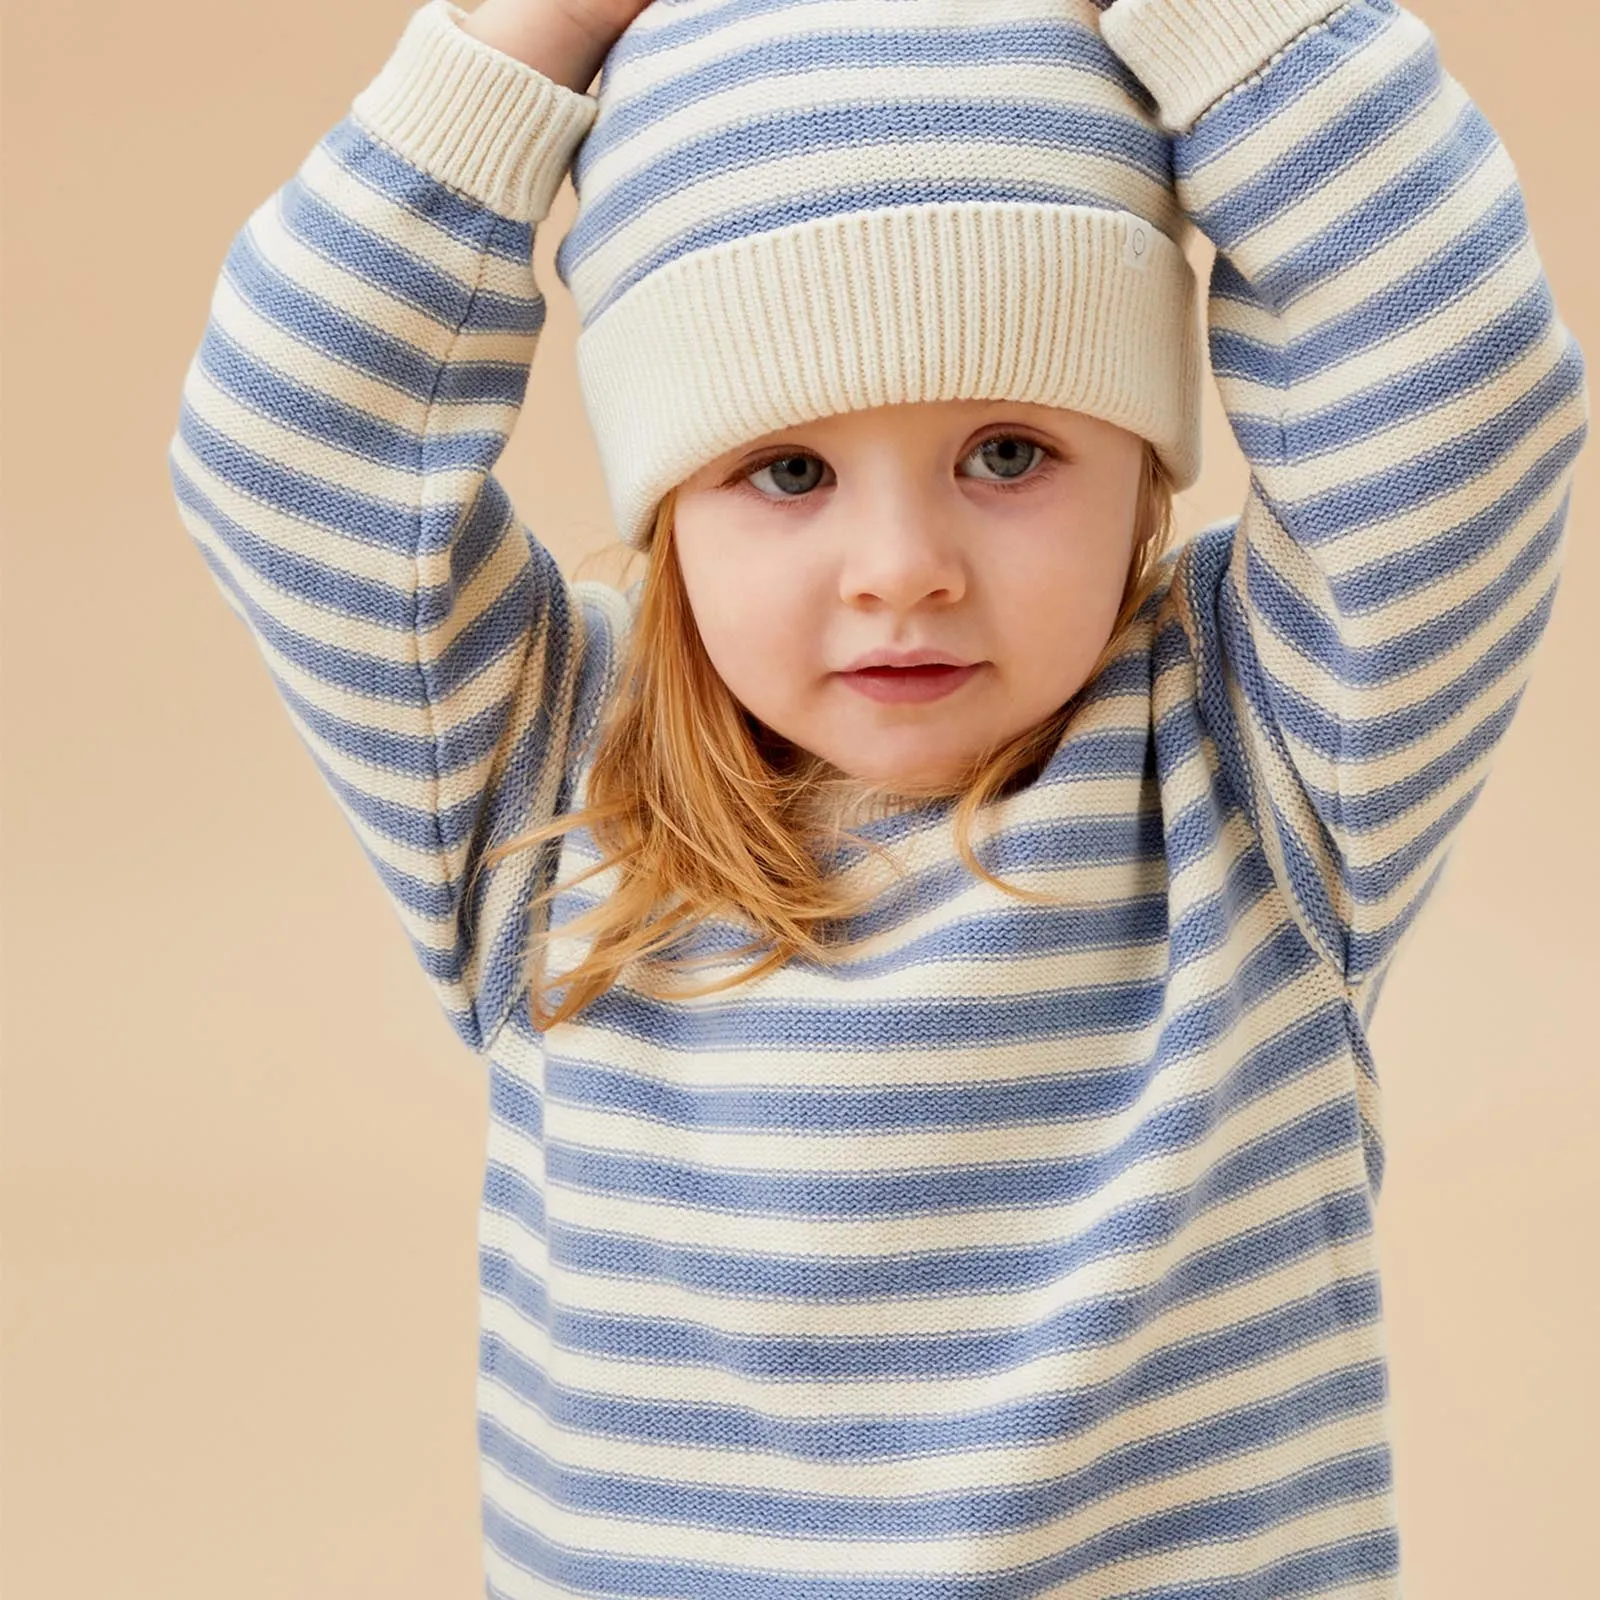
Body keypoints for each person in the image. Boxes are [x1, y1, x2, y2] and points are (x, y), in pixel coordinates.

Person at [166, 0, 1589, 1591]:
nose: (903, 570)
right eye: (787, 470)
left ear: (1142, 459)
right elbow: (282, 441)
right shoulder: (545, 784)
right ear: (670, 498)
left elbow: (1455, 365)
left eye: (1007, 451)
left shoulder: (1260, 764)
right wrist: (529, 36)